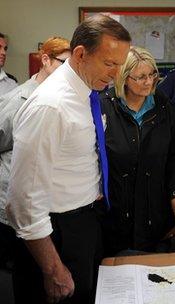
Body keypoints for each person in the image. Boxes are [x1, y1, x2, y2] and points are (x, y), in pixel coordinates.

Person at [6, 15, 131, 304]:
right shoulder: (50, 106)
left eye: (119, 65)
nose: (116, 74)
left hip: (84, 221)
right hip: (54, 235)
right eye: (109, 63)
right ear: (80, 54)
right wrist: (53, 269)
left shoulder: (89, 92)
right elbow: (23, 201)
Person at [100, 46, 175, 257]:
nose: (149, 81)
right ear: (124, 78)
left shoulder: (163, 106)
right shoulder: (104, 106)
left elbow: (174, 154)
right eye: (141, 77)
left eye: (153, 74)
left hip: (154, 205)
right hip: (115, 207)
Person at [0, 37, 70, 271]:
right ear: (45, 60)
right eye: (63, 63)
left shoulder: (62, 96)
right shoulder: (19, 99)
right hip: (19, 203)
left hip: (48, 203)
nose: (67, 70)